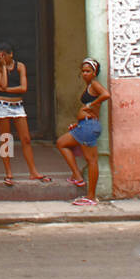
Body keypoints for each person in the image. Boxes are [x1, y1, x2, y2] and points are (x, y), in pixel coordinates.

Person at [0, 43, 53, 186]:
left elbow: (23, 88)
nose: (2, 58)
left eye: (4, 55)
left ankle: (33, 171)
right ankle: (8, 173)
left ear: (11, 54)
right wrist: (4, 69)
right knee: (6, 139)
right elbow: (4, 84)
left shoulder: (20, 66)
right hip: (3, 106)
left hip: (18, 105)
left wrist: (1, 89)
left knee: (26, 139)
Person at [56, 58, 110, 205]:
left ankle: (91, 196)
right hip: (84, 126)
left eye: (88, 71)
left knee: (92, 160)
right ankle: (77, 176)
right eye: (83, 71)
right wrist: (78, 122)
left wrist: (93, 103)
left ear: (94, 73)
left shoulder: (95, 85)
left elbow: (106, 94)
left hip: (90, 127)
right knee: (62, 143)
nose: (85, 74)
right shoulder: (89, 86)